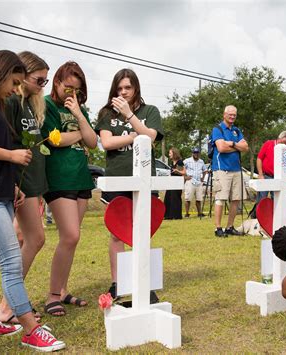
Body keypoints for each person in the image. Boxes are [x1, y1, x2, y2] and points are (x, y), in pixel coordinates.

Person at [0, 50, 64, 351]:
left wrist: (12, 186)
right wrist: (11, 155)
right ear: (0, 72)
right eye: (14, 81)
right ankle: (30, 327)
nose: (15, 88)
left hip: (0, 191)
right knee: (9, 258)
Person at [95, 68, 164, 301]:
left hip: (144, 178)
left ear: (136, 89)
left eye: (128, 87)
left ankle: (144, 280)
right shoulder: (106, 113)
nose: (123, 92)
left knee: (142, 232)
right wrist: (134, 137)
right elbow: (107, 142)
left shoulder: (150, 111)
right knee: (116, 233)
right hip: (117, 177)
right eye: (120, 88)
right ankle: (118, 282)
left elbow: (151, 136)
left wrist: (129, 116)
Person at [0, 51, 49, 324]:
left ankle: (10, 304)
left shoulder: (31, 105)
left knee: (27, 240)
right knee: (34, 239)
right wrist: (15, 183)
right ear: (23, 75)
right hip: (21, 182)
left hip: (34, 184)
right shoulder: (13, 102)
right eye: (39, 80)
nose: (42, 86)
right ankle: (7, 307)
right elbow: (7, 145)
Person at [41, 61, 97, 316]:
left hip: (81, 178)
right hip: (58, 178)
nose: (71, 93)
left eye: (76, 89)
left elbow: (93, 142)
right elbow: (54, 139)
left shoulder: (78, 109)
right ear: (56, 82)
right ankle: (52, 295)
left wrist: (78, 114)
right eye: (68, 87)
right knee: (70, 235)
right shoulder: (46, 104)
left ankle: (62, 291)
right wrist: (77, 136)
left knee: (72, 240)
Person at [211, 105, 249, 237]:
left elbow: (245, 147)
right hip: (222, 169)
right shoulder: (218, 129)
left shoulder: (236, 131)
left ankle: (229, 227)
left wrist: (232, 144)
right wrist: (237, 146)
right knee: (220, 198)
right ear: (224, 114)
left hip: (236, 169)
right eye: (230, 114)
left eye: (234, 115)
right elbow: (221, 148)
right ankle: (218, 228)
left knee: (236, 199)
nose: (232, 117)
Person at [256, 131, 286, 201]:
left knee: (277, 200)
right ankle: (257, 211)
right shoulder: (268, 144)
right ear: (279, 138)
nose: (283, 145)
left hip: (280, 179)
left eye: (285, 143)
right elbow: (259, 159)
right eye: (282, 142)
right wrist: (260, 174)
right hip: (266, 176)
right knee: (261, 200)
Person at [183, 147, 207, 217]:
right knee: (188, 198)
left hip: (198, 181)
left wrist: (202, 178)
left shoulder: (201, 161)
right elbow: (181, 167)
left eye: (197, 153)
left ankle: (199, 213)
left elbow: (205, 170)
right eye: (194, 152)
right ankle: (187, 213)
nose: (196, 154)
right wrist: (185, 177)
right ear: (192, 153)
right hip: (190, 180)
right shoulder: (187, 161)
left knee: (199, 198)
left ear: (199, 153)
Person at [164, 147, 185, 220]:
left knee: (175, 199)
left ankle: (176, 215)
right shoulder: (171, 163)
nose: (169, 154)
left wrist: (177, 170)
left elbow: (183, 172)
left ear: (174, 153)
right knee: (168, 198)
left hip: (177, 182)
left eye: (170, 153)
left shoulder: (179, 162)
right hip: (171, 182)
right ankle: (168, 215)